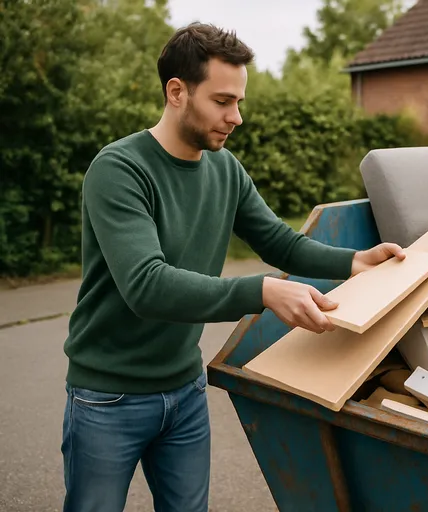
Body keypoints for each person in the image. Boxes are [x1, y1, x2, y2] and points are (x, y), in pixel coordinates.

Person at [61, 22, 404, 512]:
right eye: (222, 101)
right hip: (108, 396)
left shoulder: (224, 168)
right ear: (177, 92)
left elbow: (280, 242)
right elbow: (146, 285)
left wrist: (354, 261)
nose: (236, 117)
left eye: (238, 102)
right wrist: (261, 291)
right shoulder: (119, 170)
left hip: (184, 391)